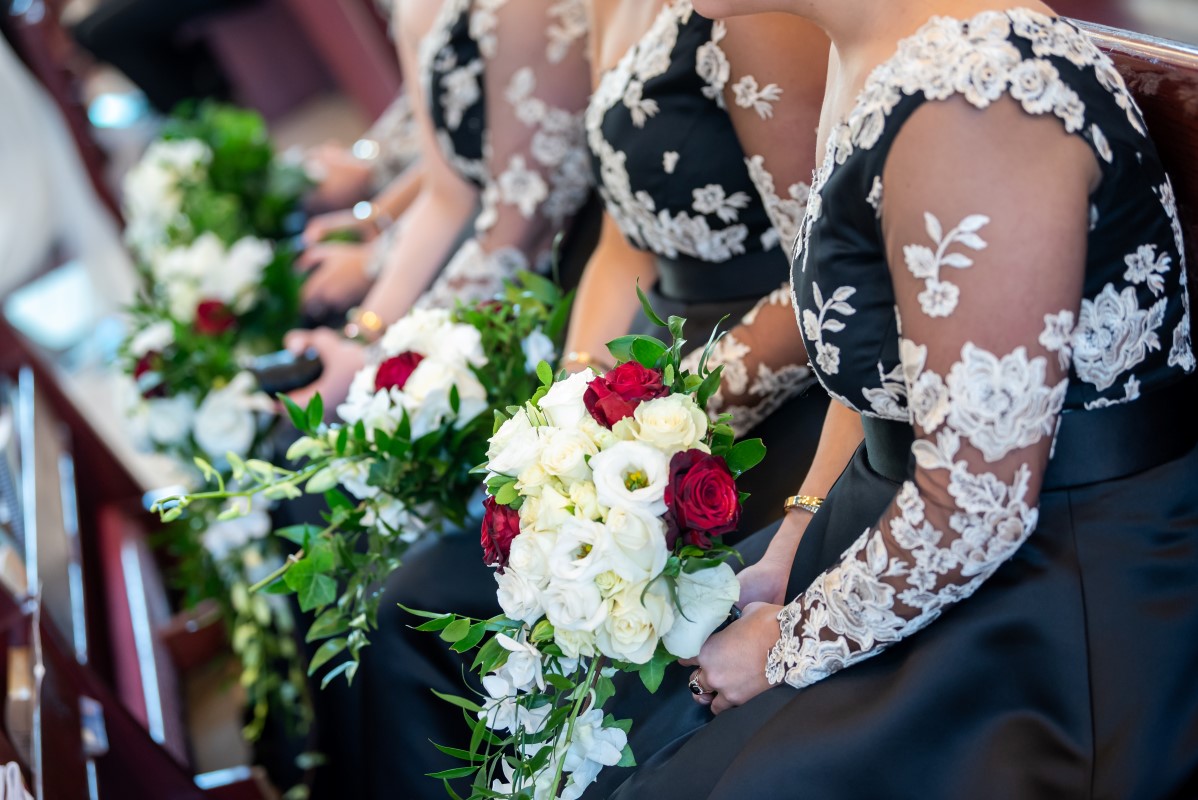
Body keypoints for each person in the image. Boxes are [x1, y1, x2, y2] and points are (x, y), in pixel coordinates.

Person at [592, 1, 1198, 797]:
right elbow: (881, 380)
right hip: (908, 524)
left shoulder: (977, 97)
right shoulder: (869, 46)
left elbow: (981, 499)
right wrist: (792, 544)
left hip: (1054, 604)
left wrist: (789, 645)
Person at [364, 2, 832, 796]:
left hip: (780, 404)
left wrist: (663, 427)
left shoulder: (751, 18)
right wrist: (573, 411)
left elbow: (823, 280)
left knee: (628, 712)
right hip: (657, 362)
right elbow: (624, 240)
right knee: (415, 603)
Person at [282, 0, 594, 412]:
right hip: (478, 241)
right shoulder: (415, 10)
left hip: (561, 260)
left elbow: (517, 232)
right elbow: (445, 193)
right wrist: (365, 334)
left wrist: (382, 361)